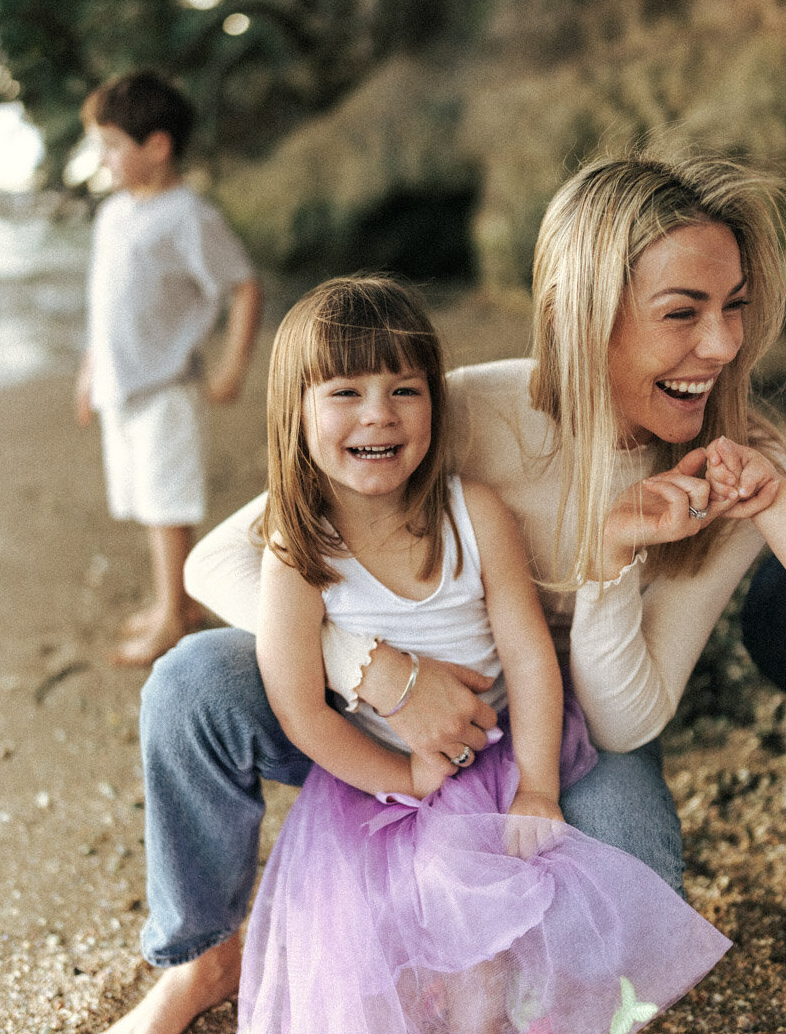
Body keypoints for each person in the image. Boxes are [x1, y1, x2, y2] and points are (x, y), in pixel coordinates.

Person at [102, 151, 786, 1034]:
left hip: (564, 729)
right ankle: (202, 958)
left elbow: (622, 723)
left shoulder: (734, 466)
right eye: (683, 313)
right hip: (383, 710)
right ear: (584, 316)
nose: (725, 343)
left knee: (635, 874)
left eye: (734, 307)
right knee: (194, 685)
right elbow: (218, 562)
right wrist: (378, 673)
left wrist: (617, 562)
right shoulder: (452, 409)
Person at [237, 273, 730, 1032]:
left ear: (436, 402)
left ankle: (490, 1020)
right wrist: (403, 776)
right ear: (293, 413)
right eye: (344, 392)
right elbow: (300, 710)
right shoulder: (297, 551)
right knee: (379, 929)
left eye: (405, 389)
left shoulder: (474, 513)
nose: (380, 413)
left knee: (493, 906)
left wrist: (536, 787)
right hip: (380, 778)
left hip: (503, 751)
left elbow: (532, 658)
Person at [75, 70, 262, 667]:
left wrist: (231, 368)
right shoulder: (113, 216)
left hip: (165, 387)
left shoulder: (189, 217)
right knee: (139, 495)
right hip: (121, 385)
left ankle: (170, 619)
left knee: (166, 507)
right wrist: (89, 373)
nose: (102, 160)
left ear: (156, 146)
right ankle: (177, 604)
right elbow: (104, 307)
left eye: (112, 147)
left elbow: (243, 285)